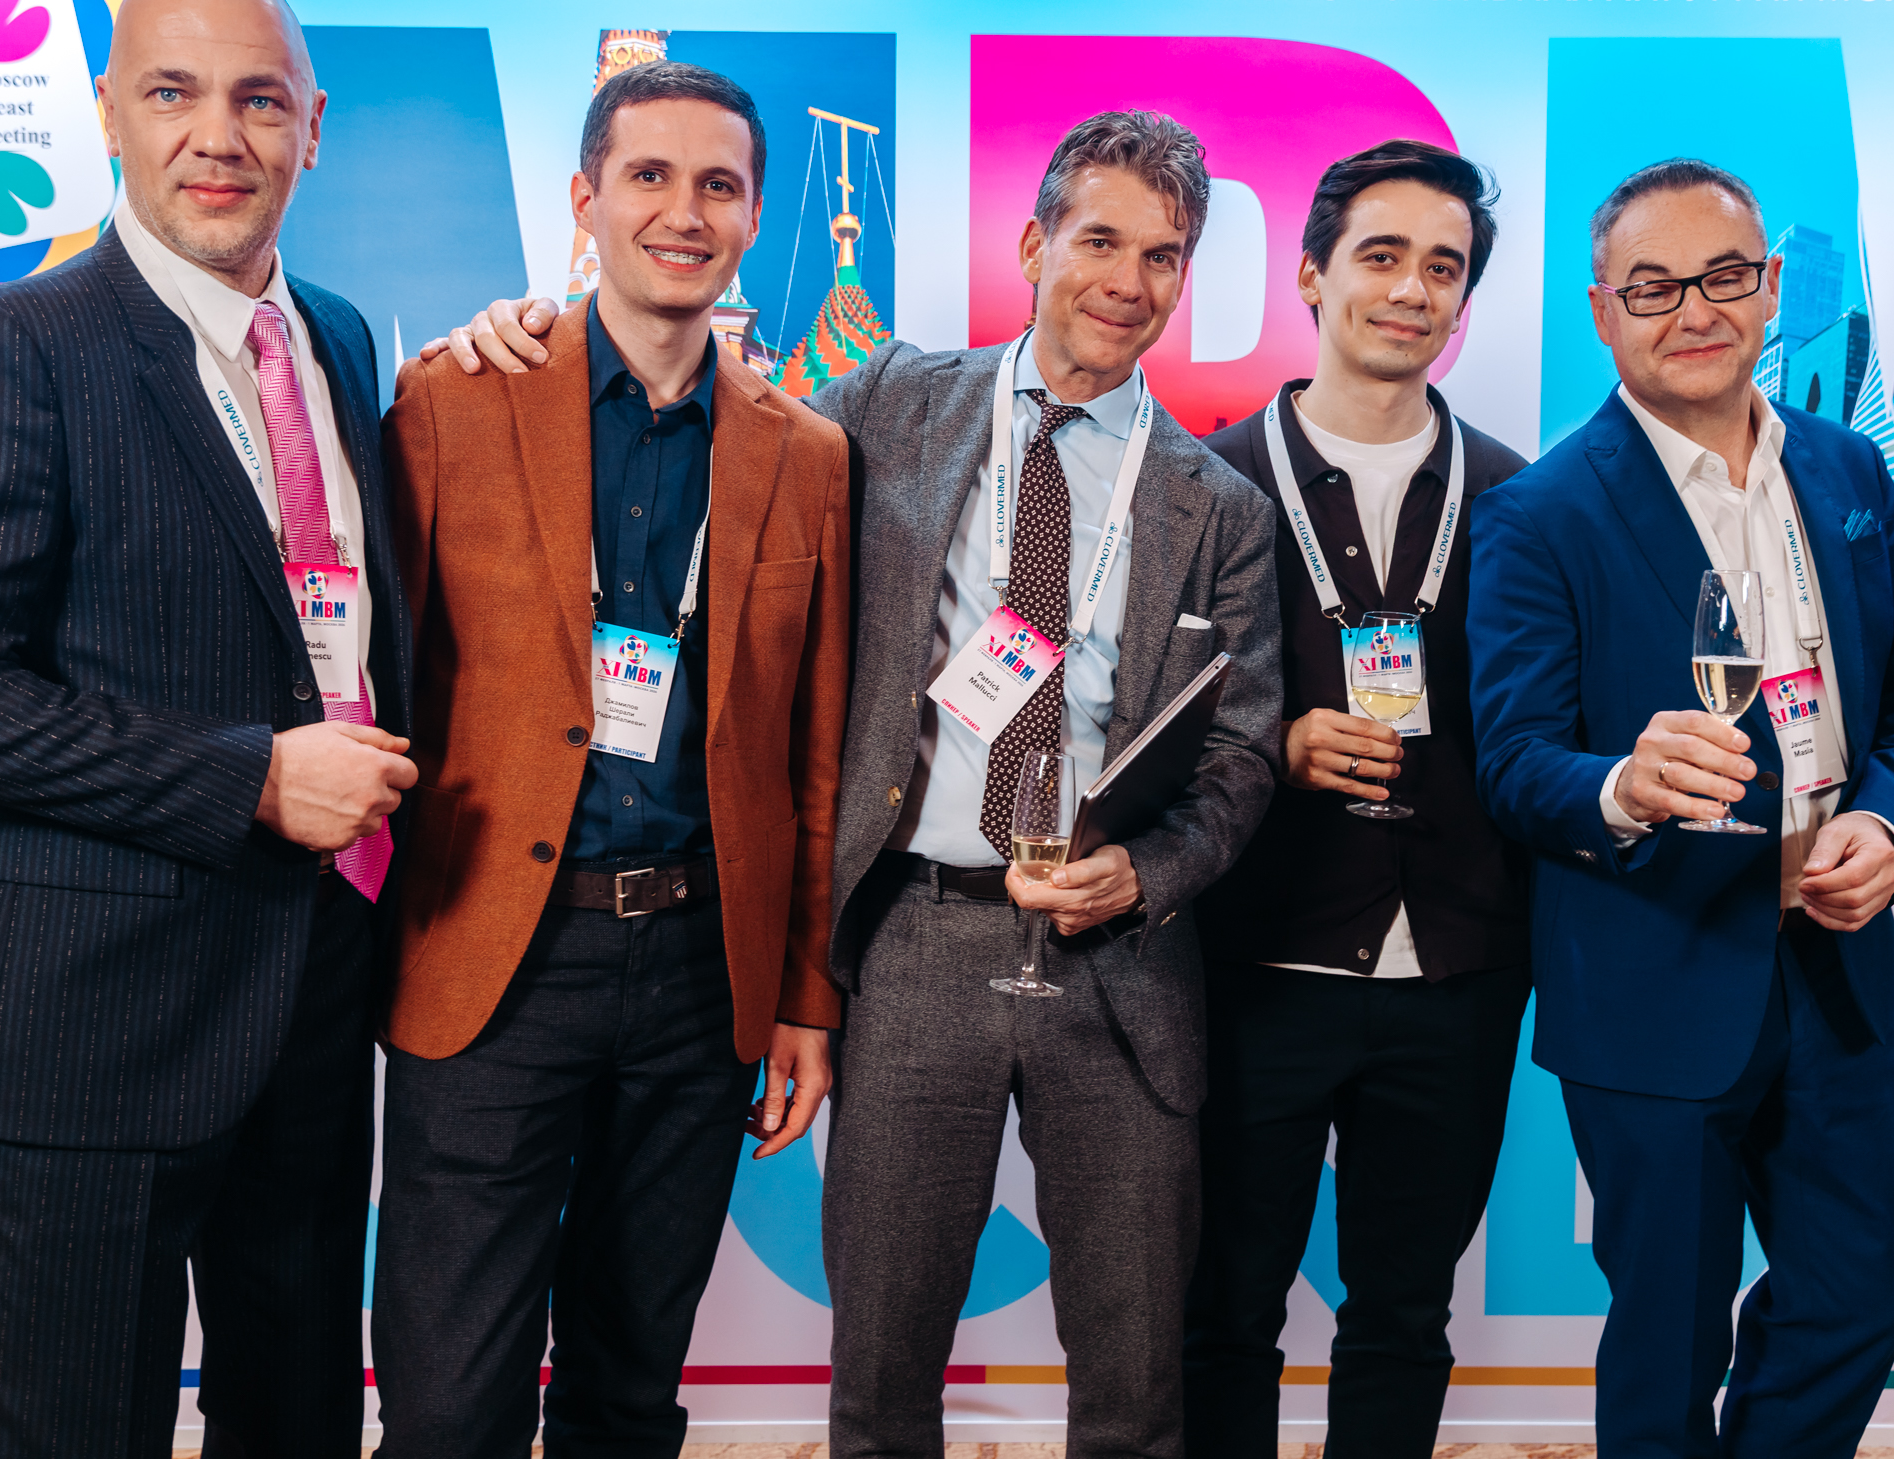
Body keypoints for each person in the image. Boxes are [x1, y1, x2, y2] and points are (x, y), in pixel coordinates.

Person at [425, 109, 1283, 1459]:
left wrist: (1148, 872)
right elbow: (698, 420)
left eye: (1163, 256)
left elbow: (1241, 754)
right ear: (1033, 245)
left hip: (1119, 965)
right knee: (879, 1388)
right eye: (1099, 241)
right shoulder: (887, 404)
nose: (1128, 282)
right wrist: (526, 332)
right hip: (913, 945)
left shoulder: (1217, 504)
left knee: (1136, 1393)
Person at [0, 0, 412, 1457]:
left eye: (260, 99)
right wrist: (248, 779)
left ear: (312, 128)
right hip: (84, 1033)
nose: (217, 136)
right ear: (109, 112)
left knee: (295, 1425)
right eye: (173, 92)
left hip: (312, 1010)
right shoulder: (8, 347)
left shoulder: (344, 338)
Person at [370, 58, 851, 1459]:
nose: (683, 213)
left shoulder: (808, 455)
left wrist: (805, 994)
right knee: (448, 1406)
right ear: (584, 199)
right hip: (493, 958)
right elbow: (378, 682)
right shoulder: (454, 398)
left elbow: (814, 759)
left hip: (702, 974)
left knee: (630, 1392)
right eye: (649, 176)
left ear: (753, 215)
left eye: (719, 185)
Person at [1465, 159, 1894, 1459]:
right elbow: (1513, 760)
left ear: (1771, 287)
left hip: (1838, 972)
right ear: (1603, 312)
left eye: (1725, 276)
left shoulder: (1852, 474)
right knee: (1670, 1338)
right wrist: (1621, 787)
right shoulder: (1539, 514)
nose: (1695, 310)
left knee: (1857, 1301)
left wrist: (1890, 826)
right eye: (1654, 287)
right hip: (1653, 979)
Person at [1184, 139, 1531, 1459]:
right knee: (1222, 1315)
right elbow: (1125, 726)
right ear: (1312, 274)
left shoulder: (1519, 498)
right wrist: (1269, 745)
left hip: (1457, 971)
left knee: (1404, 1315)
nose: (1411, 290)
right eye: (1381, 256)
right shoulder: (1204, 484)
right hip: (1252, 964)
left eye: (1443, 267)